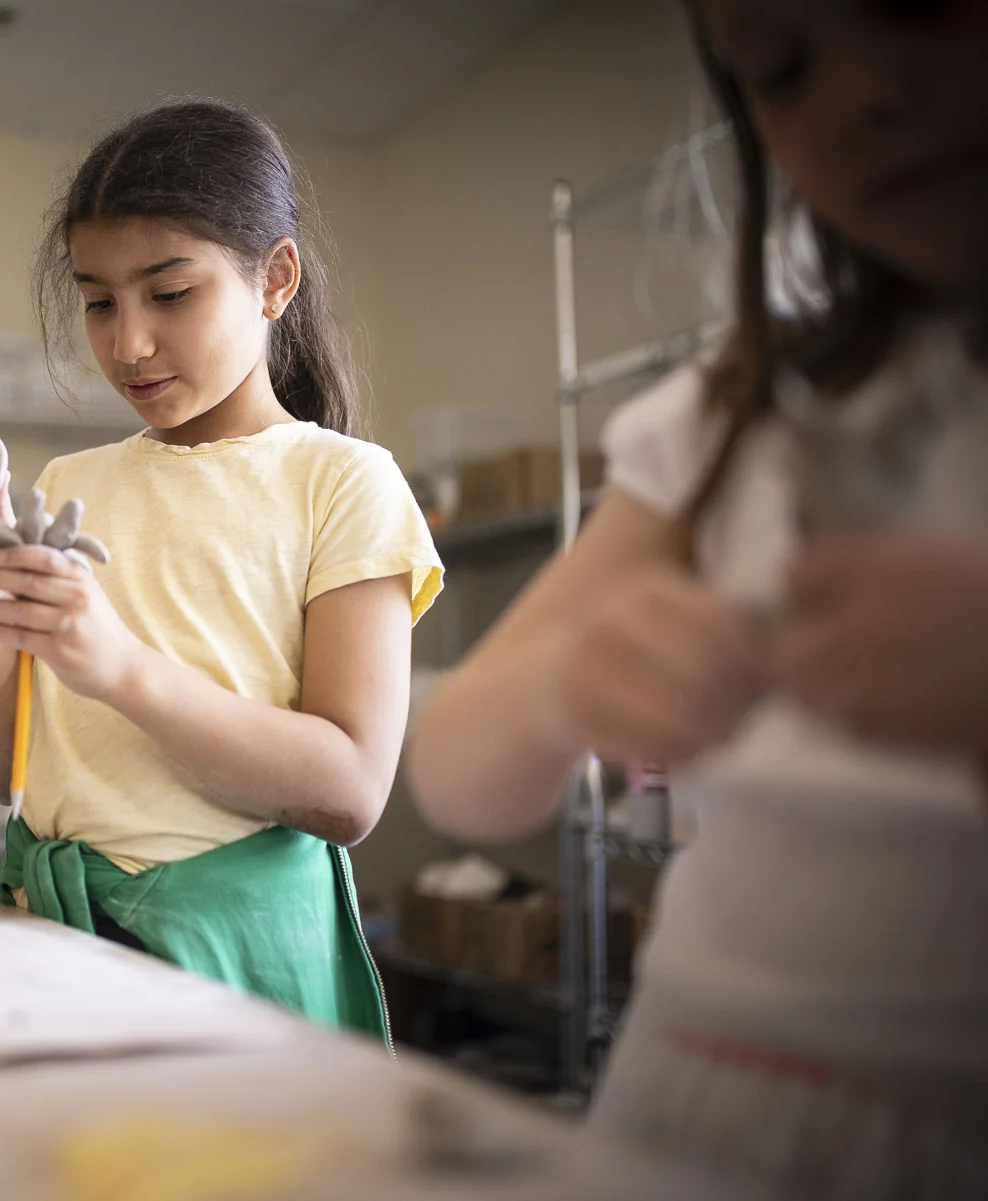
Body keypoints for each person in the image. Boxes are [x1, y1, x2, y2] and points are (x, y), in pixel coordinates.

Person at [407, 0, 988, 1192]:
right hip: (695, 1089)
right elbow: (456, 769)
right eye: (781, 65)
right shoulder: (756, 404)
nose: (862, 92)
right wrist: (571, 684)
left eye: (928, 10)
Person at [0, 101, 443, 1039]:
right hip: (54, 935)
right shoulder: (69, 482)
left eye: (169, 294)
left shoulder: (342, 481)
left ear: (275, 278)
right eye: (98, 300)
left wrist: (118, 666)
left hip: (236, 953)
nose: (128, 342)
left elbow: (351, 788)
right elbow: (9, 771)